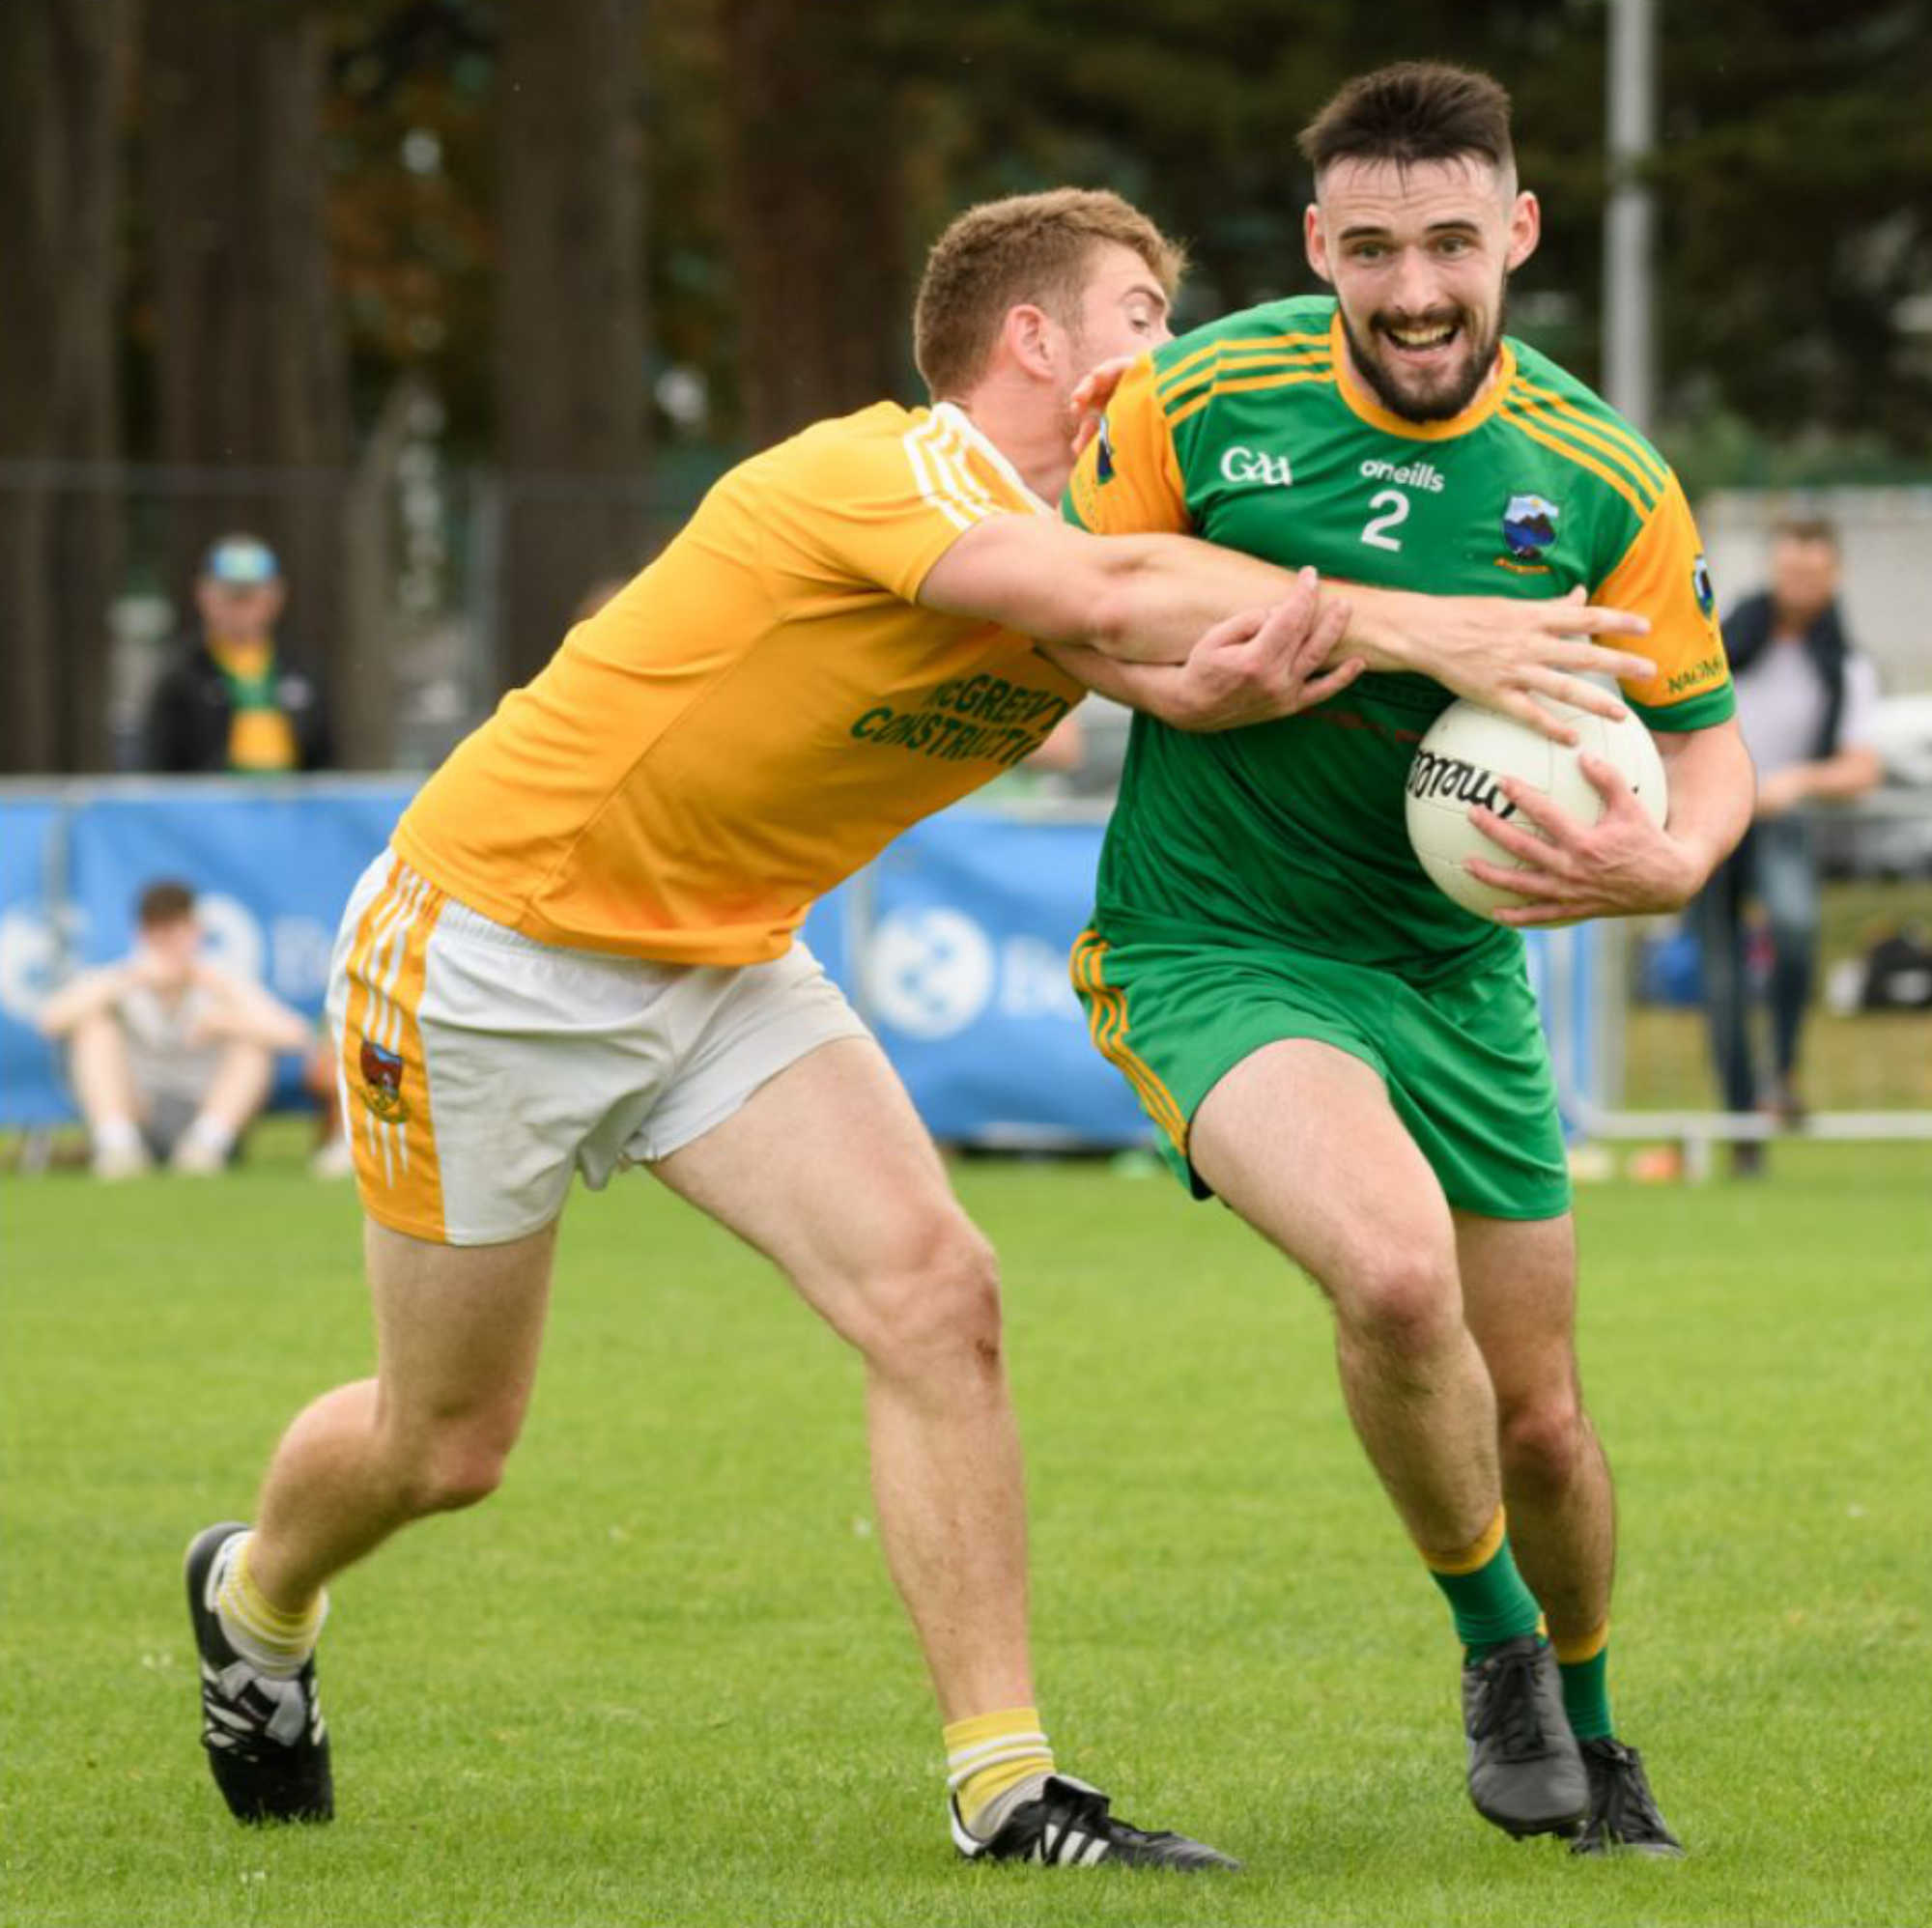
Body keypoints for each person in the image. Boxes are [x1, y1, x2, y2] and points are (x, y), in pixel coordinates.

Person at [180, 187, 1661, 1869]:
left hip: (722, 967)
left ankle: (1007, 1787)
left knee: (940, 1297)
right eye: (1139, 316)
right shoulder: (889, 472)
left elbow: (1166, 649)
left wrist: (1326, 661)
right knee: (445, 1445)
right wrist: (1434, 625)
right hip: (489, 954)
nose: (1167, 354)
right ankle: (258, 1601)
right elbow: (1106, 593)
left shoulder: (1078, 553)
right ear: (1032, 339)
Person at [1063, 67, 1754, 1857]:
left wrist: (1671, 855)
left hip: (1459, 975)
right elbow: (1065, 599)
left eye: (1452, 241)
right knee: (1389, 1277)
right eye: (1372, 249)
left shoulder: (1602, 475)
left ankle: (1597, 1739)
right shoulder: (1202, 399)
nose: (1416, 287)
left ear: (1516, 233)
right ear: (1319, 248)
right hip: (1216, 943)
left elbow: (1708, 731)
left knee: (1542, 1420)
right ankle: (1495, 1647)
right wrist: (1158, 680)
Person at [1690, 516, 1885, 1171]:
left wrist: (1796, 780)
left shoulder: (1846, 667)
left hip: (1780, 820)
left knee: (1797, 930)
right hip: (1712, 817)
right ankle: (1743, 1126)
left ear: (1835, 577)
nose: (1800, 581)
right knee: (1721, 983)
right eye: (1790, 568)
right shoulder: (1722, 641)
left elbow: (1862, 768)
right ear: (1774, 570)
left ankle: (1785, 1070)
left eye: (1814, 570)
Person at [37, 879, 314, 1177]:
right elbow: (50, 1020)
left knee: (252, 1043)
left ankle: (206, 1147)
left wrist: (228, 1021)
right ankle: (118, 1146)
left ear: (196, 931)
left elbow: (298, 1035)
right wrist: (127, 981)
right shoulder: (120, 979)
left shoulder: (221, 980)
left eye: (177, 931)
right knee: (94, 1028)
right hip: (140, 1113)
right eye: (158, 933)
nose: (168, 943)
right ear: (142, 934)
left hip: (202, 1113)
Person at [145, 534, 333, 775]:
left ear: (275, 598)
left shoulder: (302, 671)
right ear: (205, 597)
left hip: (289, 810)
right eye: (231, 597)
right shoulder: (181, 676)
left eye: (251, 596)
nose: (242, 609)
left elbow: (324, 762)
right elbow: (158, 767)